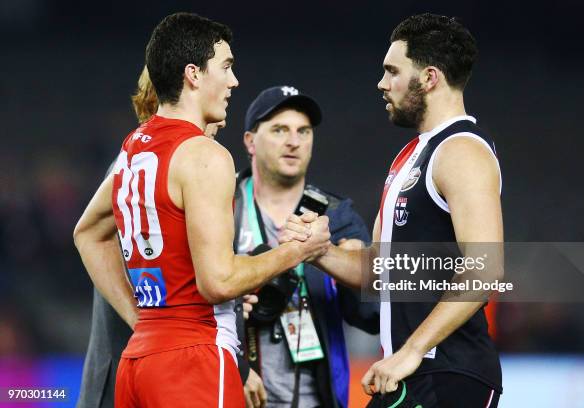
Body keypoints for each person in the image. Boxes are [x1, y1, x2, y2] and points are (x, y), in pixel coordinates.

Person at [73, 13, 329, 408]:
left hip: (138, 361)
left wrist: (141, 320)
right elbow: (218, 283)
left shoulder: (132, 149)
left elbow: (87, 233)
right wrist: (296, 251)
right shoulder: (204, 155)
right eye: (225, 67)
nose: (233, 81)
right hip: (193, 358)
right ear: (194, 74)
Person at [283, 13, 503, 407]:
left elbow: (485, 267)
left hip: (449, 373)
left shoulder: (463, 151)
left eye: (392, 71)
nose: (382, 84)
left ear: (430, 77)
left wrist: (412, 349)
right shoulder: (410, 157)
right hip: (409, 373)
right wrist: (318, 251)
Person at [76, 66, 238, 408]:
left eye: (303, 131)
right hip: (151, 365)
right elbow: (214, 282)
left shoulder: (333, 209)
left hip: (156, 363)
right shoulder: (139, 168)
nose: (222, 121)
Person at [234, 86, 379, 408]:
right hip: (233, 390)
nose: (294, 141)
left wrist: (350, 274)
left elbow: (373, 317)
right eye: (279, 130)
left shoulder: (338, 216)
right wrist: (236, 366)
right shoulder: (221, 207)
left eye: (304, 131)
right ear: (250, 141)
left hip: (317, 399)